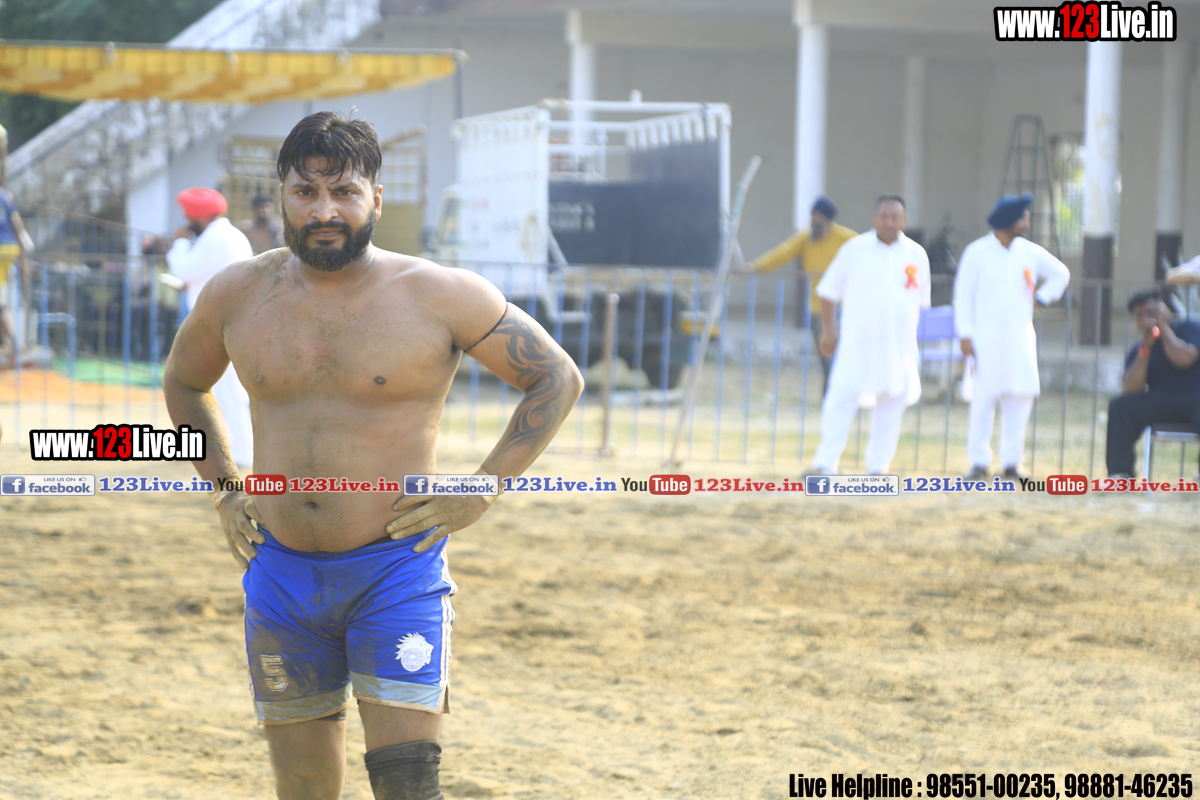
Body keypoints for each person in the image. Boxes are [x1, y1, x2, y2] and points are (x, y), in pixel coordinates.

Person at [163, 111, 584, 800]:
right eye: (306, 192)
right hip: (280, 572)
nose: (324, 211)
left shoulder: (439, 294)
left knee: (407, 784)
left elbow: (556, 377)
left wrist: (482, 488)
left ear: (377, 199)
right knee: (303, 784)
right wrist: (225, 486)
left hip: (395, 569)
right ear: (282, 197)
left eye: (345, 192)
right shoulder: (238, 293)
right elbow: (184, 382)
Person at [808, 194, 930, 475]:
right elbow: (827, 291)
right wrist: (829, 331)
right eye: (883, 216)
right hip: (857, 344)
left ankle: (878, 467)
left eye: (895, 217)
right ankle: (825, 464)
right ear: (875, 218)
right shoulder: (855, 249)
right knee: (839, 400)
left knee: (891, 405)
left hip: (898, 347)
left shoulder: (916, 254)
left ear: (904, 220)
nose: (889, 222)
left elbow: (920, 302)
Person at [954, 193, 1070, 480]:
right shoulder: (977, 252)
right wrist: (965, 334)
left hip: (1020, 338)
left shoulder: (1029, 251)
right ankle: (979, 462)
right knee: (983, 401)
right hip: (984, 340)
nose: (1026, 223)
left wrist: (1042, 299)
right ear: (1009, 221)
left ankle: (1012, 463)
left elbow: (1061, 274)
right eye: (1023, 218)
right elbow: (962, 297)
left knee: (1020, 398)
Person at [166, 187, 256, 468]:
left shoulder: (215, 237)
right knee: (220, 390)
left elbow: (184, 269)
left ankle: (242, 452)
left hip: (220, 324)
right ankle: (231, 448)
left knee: (227, 390)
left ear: (198, 216)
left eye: (188, 216)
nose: (187, 222)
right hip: (225, 321)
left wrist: (180, 244)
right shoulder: (228, 235)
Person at [747, 195, 856, 392]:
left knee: (844, 358)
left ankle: (843, 396)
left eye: (817, 215)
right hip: (817, 308)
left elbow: (867, 254)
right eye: (812, 215)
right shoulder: (806, 238)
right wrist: (755, 267)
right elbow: (782, 252)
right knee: (826, 357)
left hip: (845, 308)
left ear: (827, 219)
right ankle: (828, 398)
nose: (813, 219)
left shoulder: (847, 238)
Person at [1105, 287, 1200, 479]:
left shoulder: (1190, 328)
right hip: (1160, 400)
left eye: (1152, 312)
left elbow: (1184, 359)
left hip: (1195, 398)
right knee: (1120, 406)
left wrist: (1164, 329)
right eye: (1140, 316)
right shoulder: (1141, 346)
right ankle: (1120, 474)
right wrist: (1146, 348)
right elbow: (1131, 388)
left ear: (1165, 309)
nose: (1147, 319)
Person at [0, 183, 33, 370]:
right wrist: (23, 258)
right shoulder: (6, 196)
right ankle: (10, 342)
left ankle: (14, 342)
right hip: (10, 247)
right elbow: (18, 227)